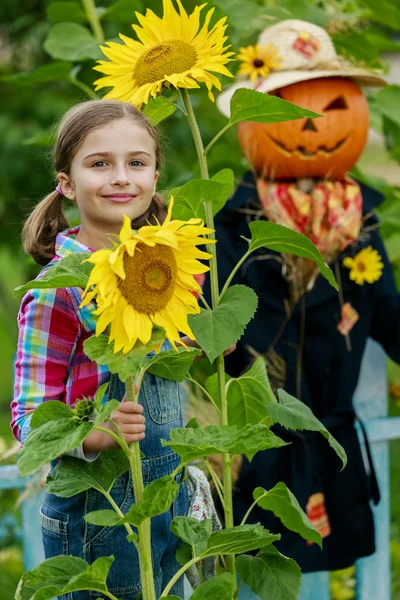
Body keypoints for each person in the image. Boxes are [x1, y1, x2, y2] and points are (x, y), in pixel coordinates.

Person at [204, 18, 400, 595]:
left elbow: (386, 307)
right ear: (253, 118)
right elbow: (220, 319)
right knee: (261, 563)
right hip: (258, 435)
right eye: (288, 108)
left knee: (322, 570)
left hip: (334, 433)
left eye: (334, 104)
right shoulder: (233, 219)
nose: (312, 126)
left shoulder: (357, 220)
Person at [10, 99, 191, 600]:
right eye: (99, 164)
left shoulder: (172, 271)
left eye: (137, 162)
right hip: (100, 516)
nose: (121, 177)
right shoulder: (57, 291)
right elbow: (29, 420)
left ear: (155, 175)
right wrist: (93, 433)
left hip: (166, 505)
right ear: (66, 183)